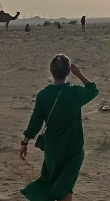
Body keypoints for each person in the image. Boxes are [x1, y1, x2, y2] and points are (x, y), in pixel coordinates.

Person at [19, 54, 99, 201]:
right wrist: (79, 74)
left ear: (51, 71)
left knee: (51, 178)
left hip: (52, 146)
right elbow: (93, 90)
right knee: (66, 183)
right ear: (69, 71)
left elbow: (35, 123)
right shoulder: (75, 92)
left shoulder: (43, 95)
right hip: (72, 146)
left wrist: (24, 143)